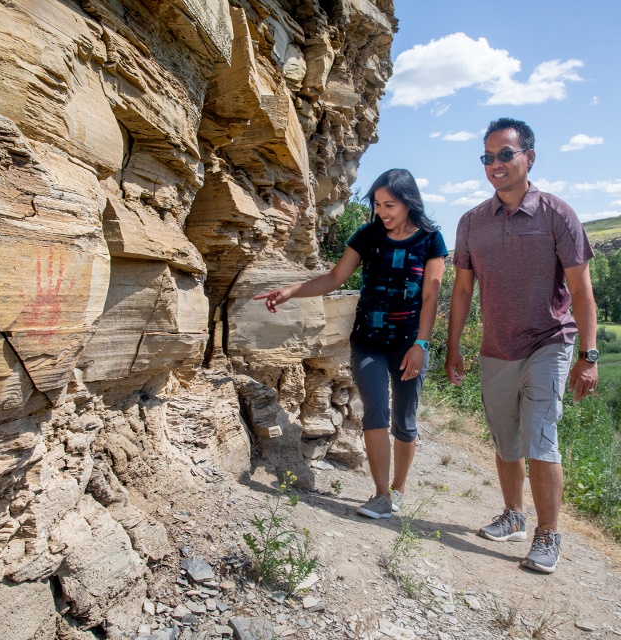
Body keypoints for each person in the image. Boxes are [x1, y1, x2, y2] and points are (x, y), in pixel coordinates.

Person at [445, 117, 598, 573]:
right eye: (488, 157)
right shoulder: (472, 222)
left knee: (540, 438)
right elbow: (462, 291)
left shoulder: (557, 213)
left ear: (529, 157)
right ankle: (513, 514)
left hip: (550, 341)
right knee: (505, 439)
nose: (496, 165)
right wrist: (452, 346)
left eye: (505, 154)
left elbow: (582, 291)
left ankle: (548, 535)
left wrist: (589, 357)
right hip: (496, 346)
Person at [255, 169, 447, 519]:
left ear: (409, 203)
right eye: (377, 204)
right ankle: (380, 495)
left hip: (409, 343)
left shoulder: (431, 239)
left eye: (390, 204)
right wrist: (292, 291)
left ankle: (399, 489)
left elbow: (432, 295)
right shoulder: (368, 236)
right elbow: (333, 277)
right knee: (375, 411)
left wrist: (422, 343)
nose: (382, 211)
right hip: (369, 341)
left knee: (405, 421)